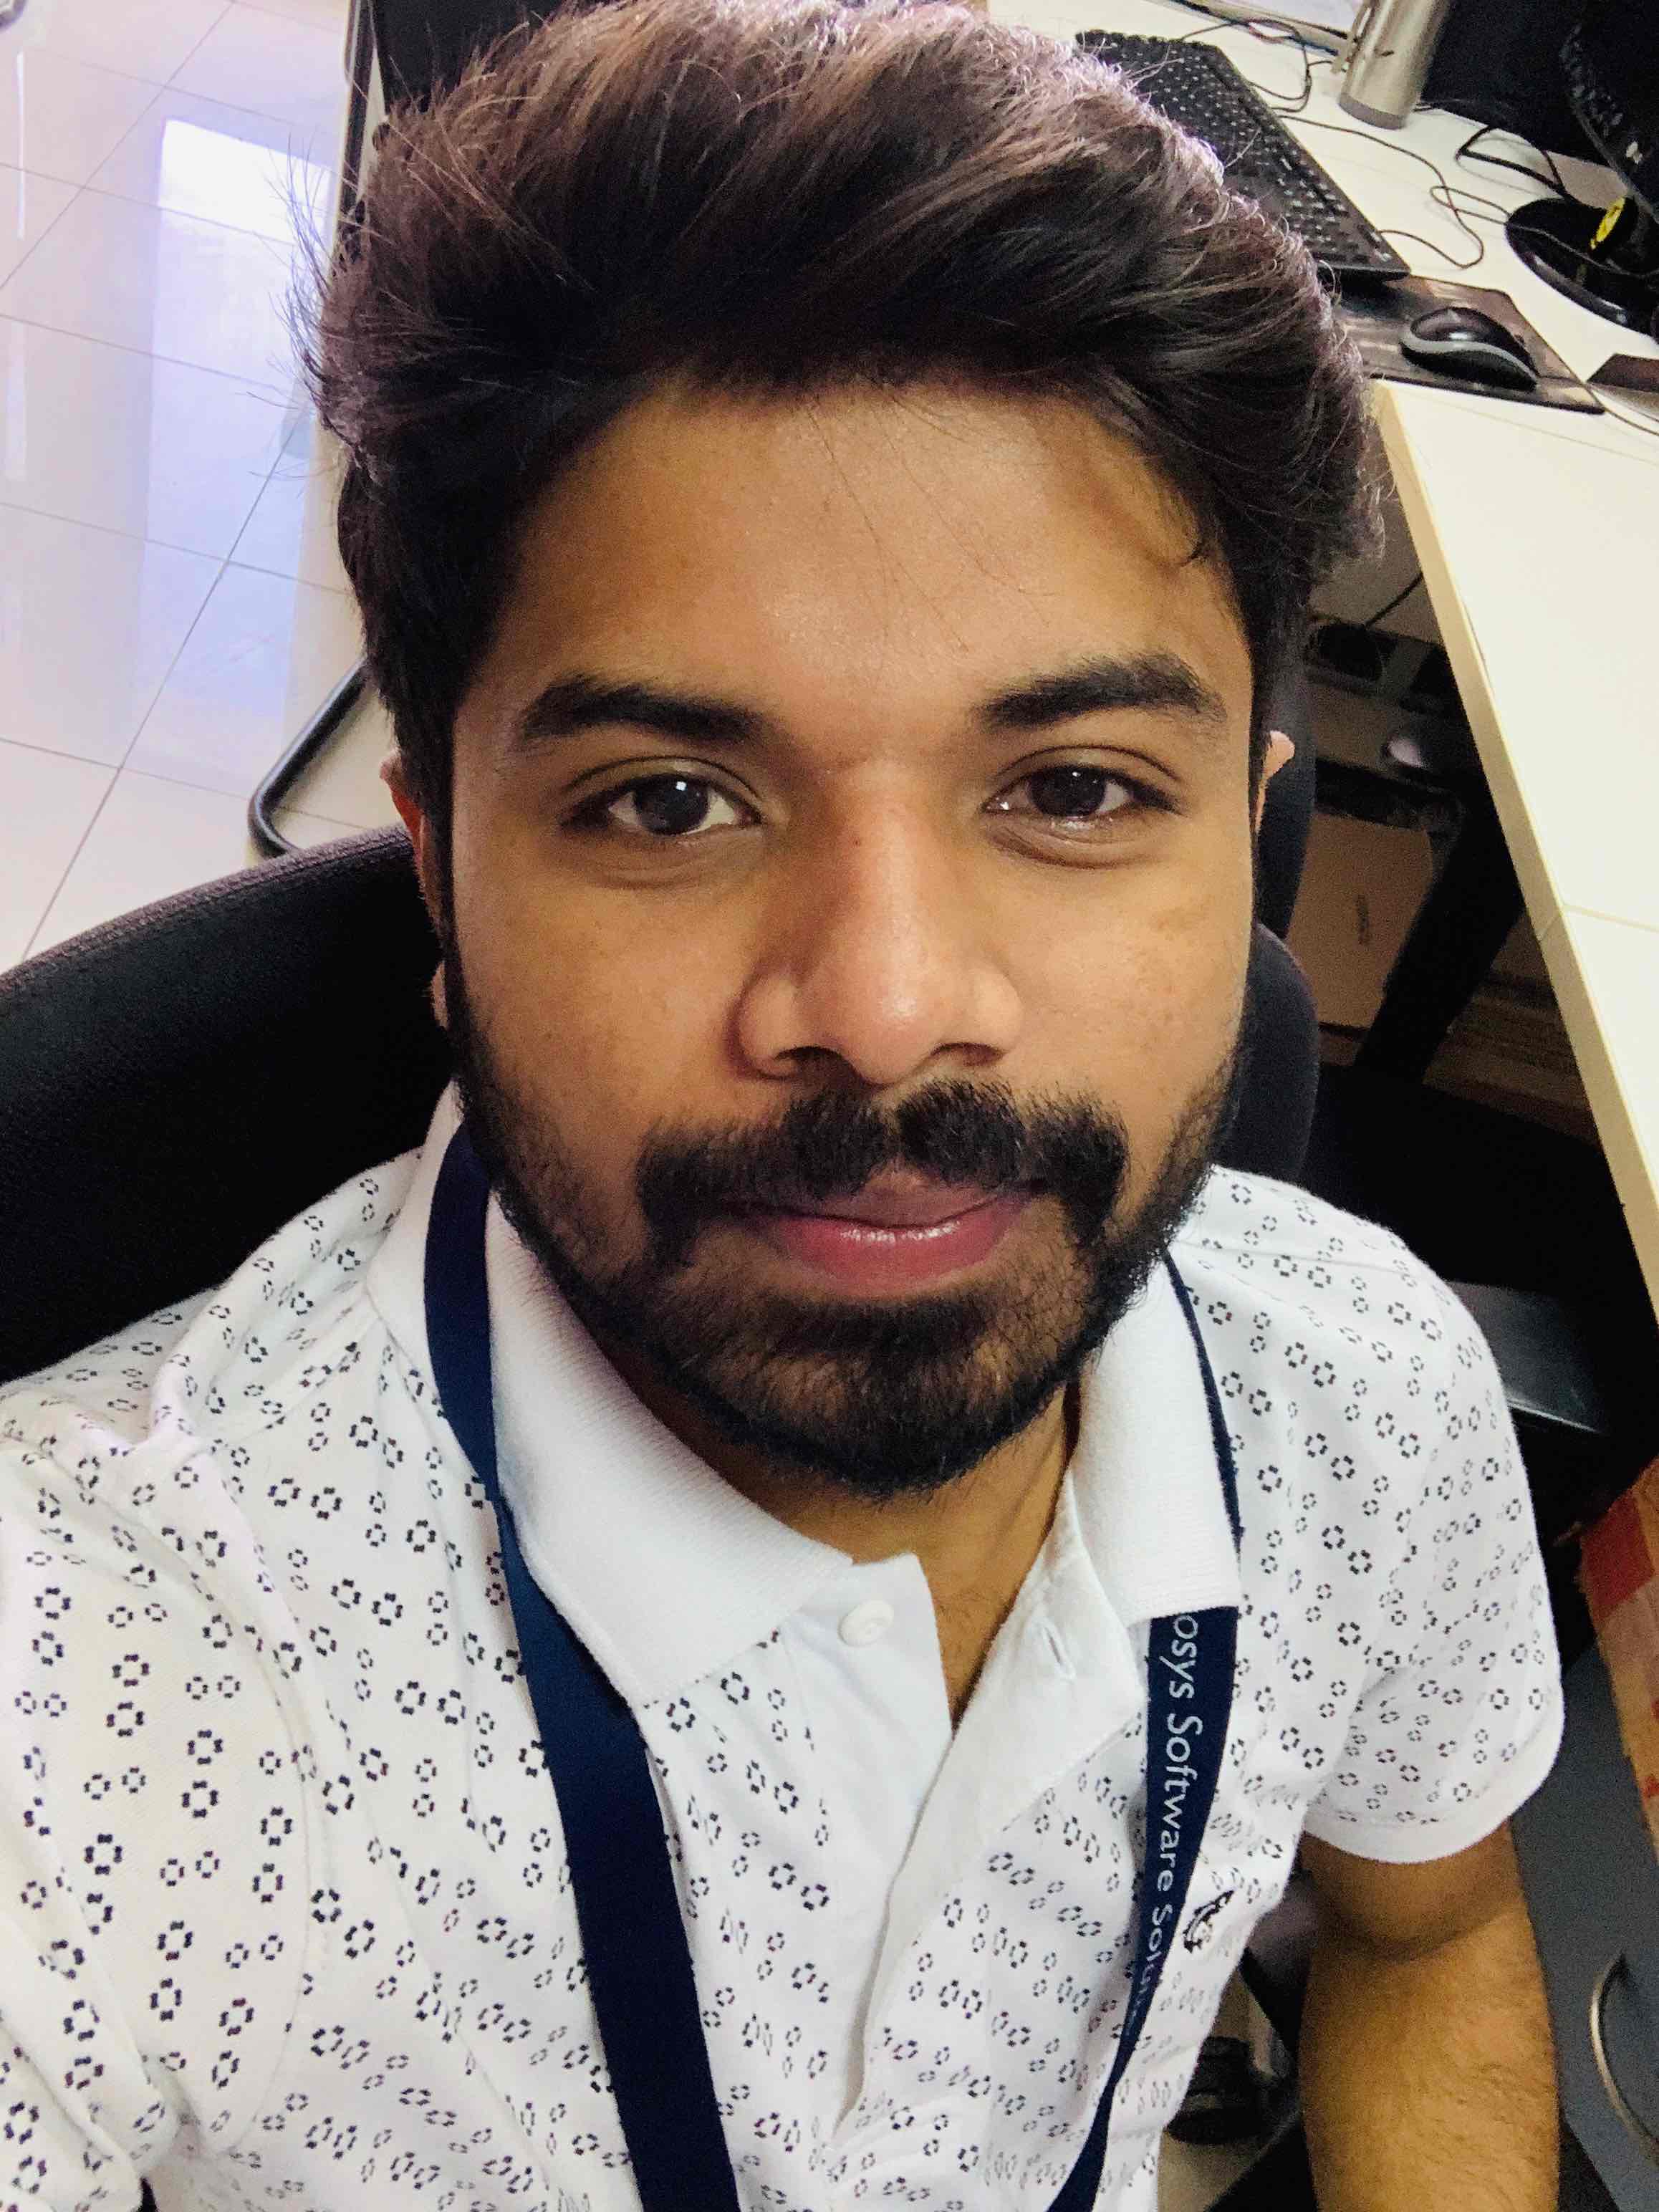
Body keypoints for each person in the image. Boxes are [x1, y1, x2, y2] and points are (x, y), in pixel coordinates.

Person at [0, 2, 1564, 2207]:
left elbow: (1431, 1928)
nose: (890, 1011)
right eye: (668, 799)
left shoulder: (1370, 1397)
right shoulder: (84, 1702)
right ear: (441, 868)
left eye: (1074, 789)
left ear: (1247, 831)